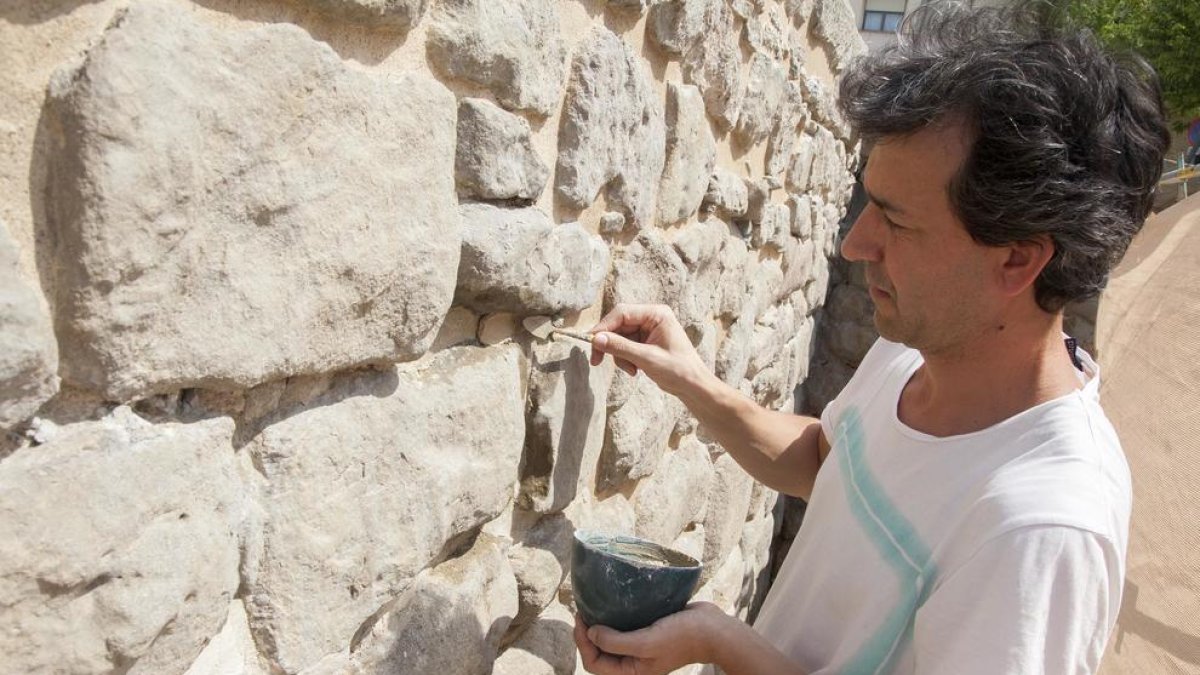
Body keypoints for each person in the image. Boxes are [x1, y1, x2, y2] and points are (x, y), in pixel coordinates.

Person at [573, 1, 1171, 673]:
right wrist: (692, 381)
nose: (857, 245)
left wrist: (723, 643)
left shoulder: (1040, 526)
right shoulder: (916, 349)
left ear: (1017, 259)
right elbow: (827, 465)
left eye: (895, 220)